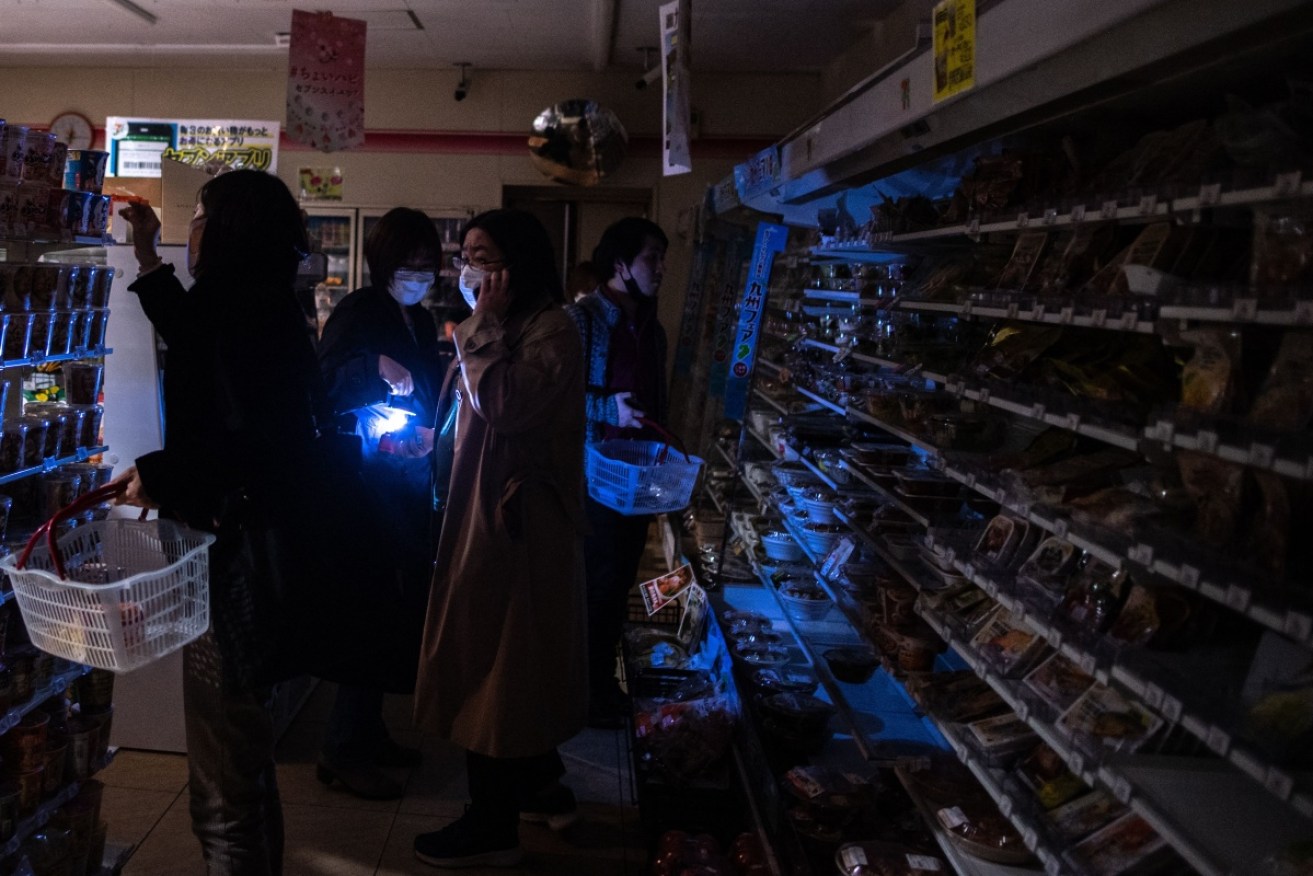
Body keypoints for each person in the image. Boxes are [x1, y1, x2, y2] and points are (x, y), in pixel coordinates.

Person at [111, 170, 320, 875]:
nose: (190, 228)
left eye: (197, 215)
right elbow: (194, 333)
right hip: (253, 547)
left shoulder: (242, 308)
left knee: (224, 772)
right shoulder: (259, 300)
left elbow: (242, 444)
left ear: (225, 228)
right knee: (241, 755)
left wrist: (162, 473)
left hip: (231, 558)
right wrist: (144, 257)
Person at [412, 209, 587, 869]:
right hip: (478, 517)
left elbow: (509, 406)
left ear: (518, 263)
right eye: (466, 255)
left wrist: (477, 328)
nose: (469, 269)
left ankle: (492, 821)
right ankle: (540, 789)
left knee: (495, 670)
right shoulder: (509, 326)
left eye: (483, 256)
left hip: (514, 529)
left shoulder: (551, 330)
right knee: (497, 665)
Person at [313, 207, 447, 799]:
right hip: (362, 487)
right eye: (409, 265)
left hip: (402, 479)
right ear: (384, 264)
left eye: (427, 266)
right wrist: (372, 367)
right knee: (366, 612)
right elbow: (326, 382)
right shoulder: (360, 310)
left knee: (391, 609)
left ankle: (366, 734)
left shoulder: (417, 317)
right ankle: (342, 748)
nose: (419, 275)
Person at [565, 217, 669, 729]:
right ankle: (588, 692)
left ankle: (599, 686)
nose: (661, 269)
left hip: (639, 480)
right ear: (621, 265)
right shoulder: (581, 321)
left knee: (619, 581)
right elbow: (556, 396)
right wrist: (610, 411)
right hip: (593, 477)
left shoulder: (652, 327)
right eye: (653, 257)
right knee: (597, 587)